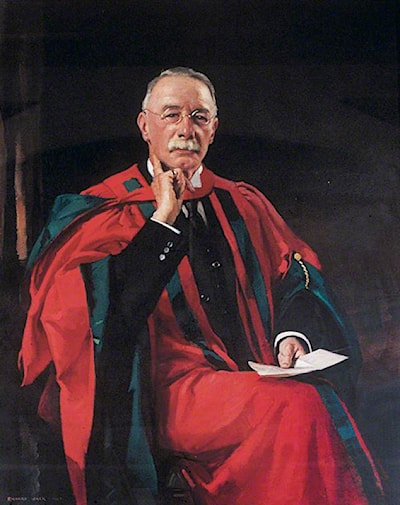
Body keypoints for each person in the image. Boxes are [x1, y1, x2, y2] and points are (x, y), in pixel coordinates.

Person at [19, 67, 385, 505]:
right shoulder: (105, 209)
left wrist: (293, 335)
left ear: (213, 128)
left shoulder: (242, 202)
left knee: (310, 397)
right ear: (145, 126)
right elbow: (100, 317)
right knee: (297, 406)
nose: (185, 130)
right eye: (171, 115)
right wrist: (163, 220)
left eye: (199, 117)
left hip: (251, 376)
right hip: (160, 396)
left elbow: (297, 273)